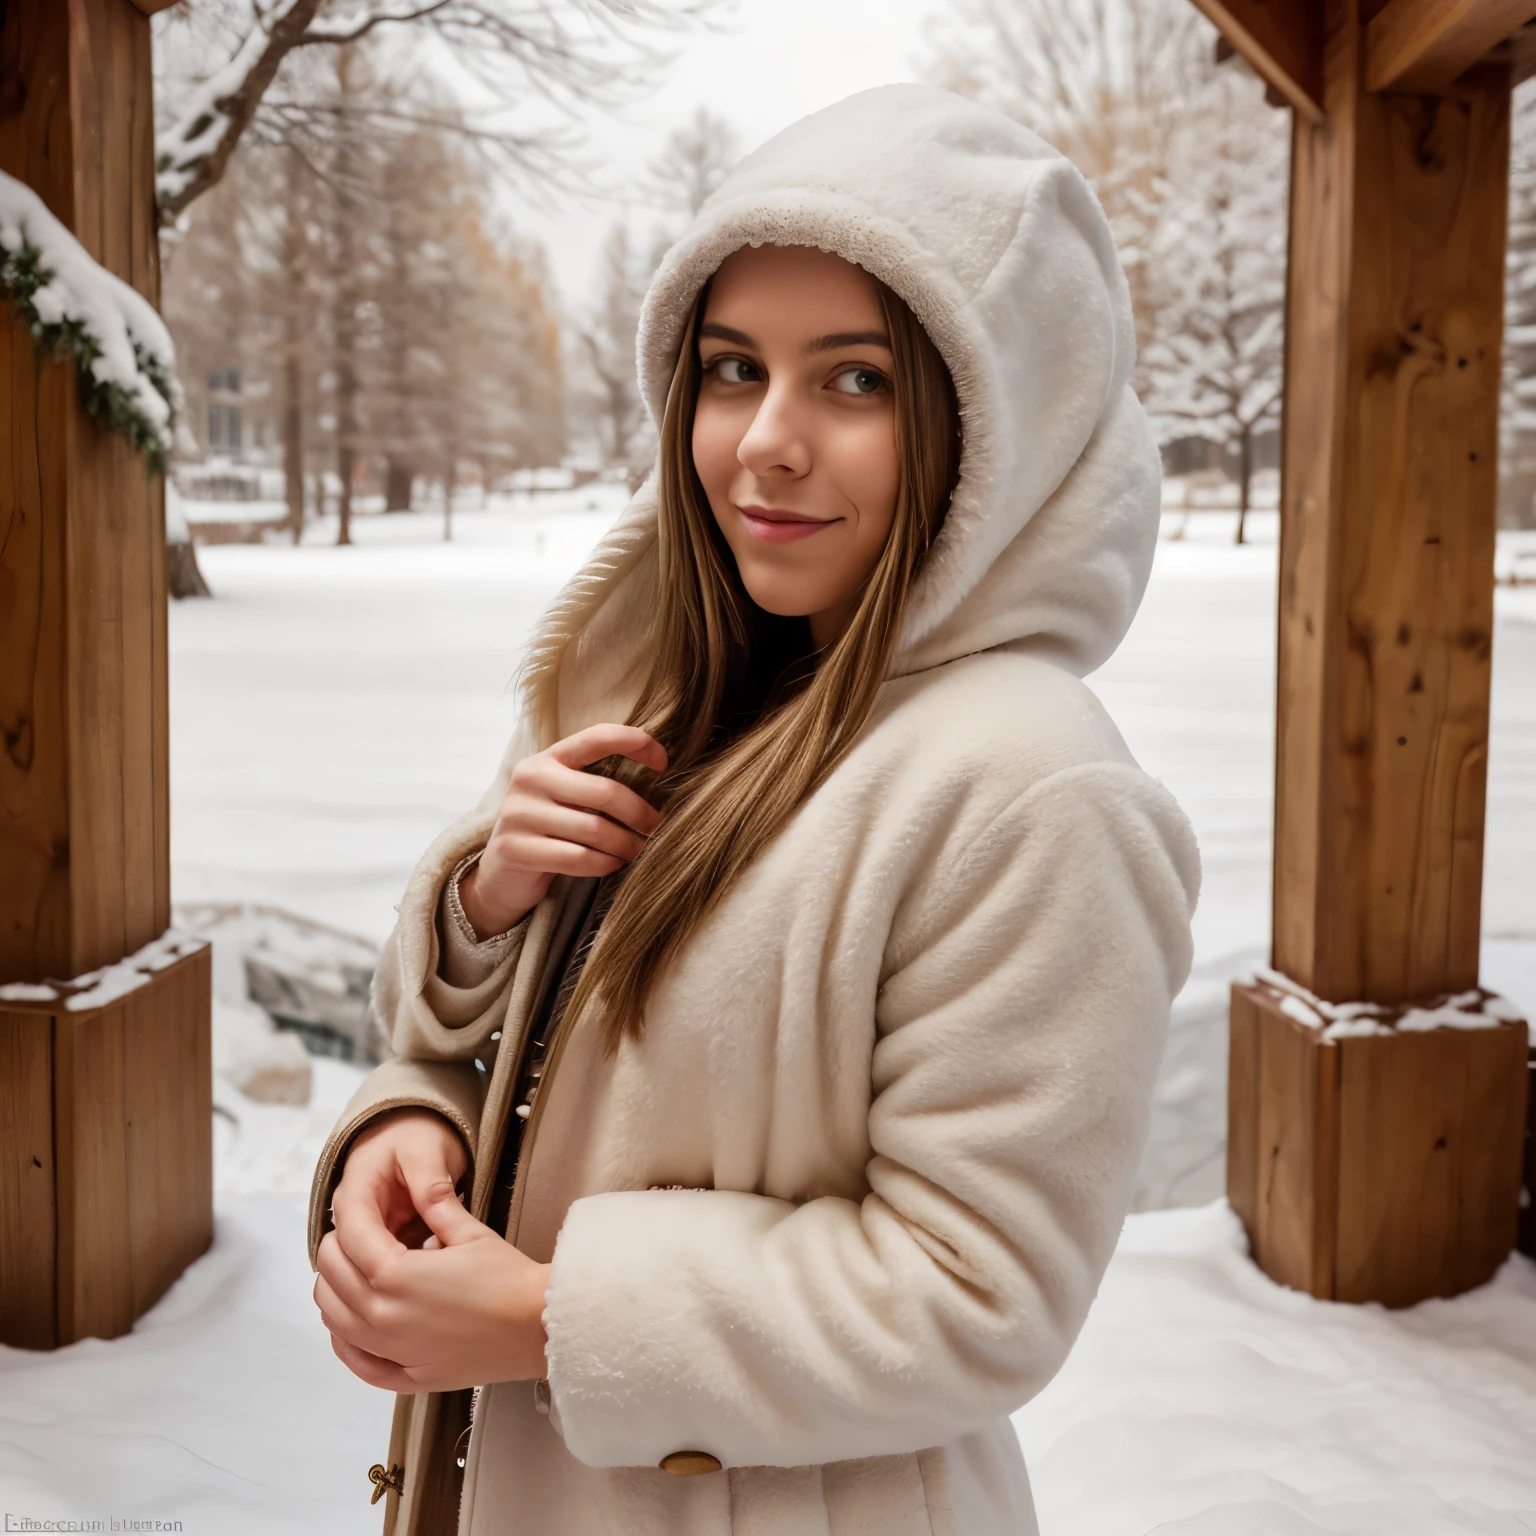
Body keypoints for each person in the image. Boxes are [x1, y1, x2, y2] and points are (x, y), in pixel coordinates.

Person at [307, 82, 1200, 1536]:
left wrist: (541, 1318)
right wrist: (419, 1103)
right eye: (734, 368)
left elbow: (982, 1296)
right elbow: (544, 1075)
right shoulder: (662, 687)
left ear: (998, 421)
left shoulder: (1033, 791)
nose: (764, 442)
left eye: (857, 380)